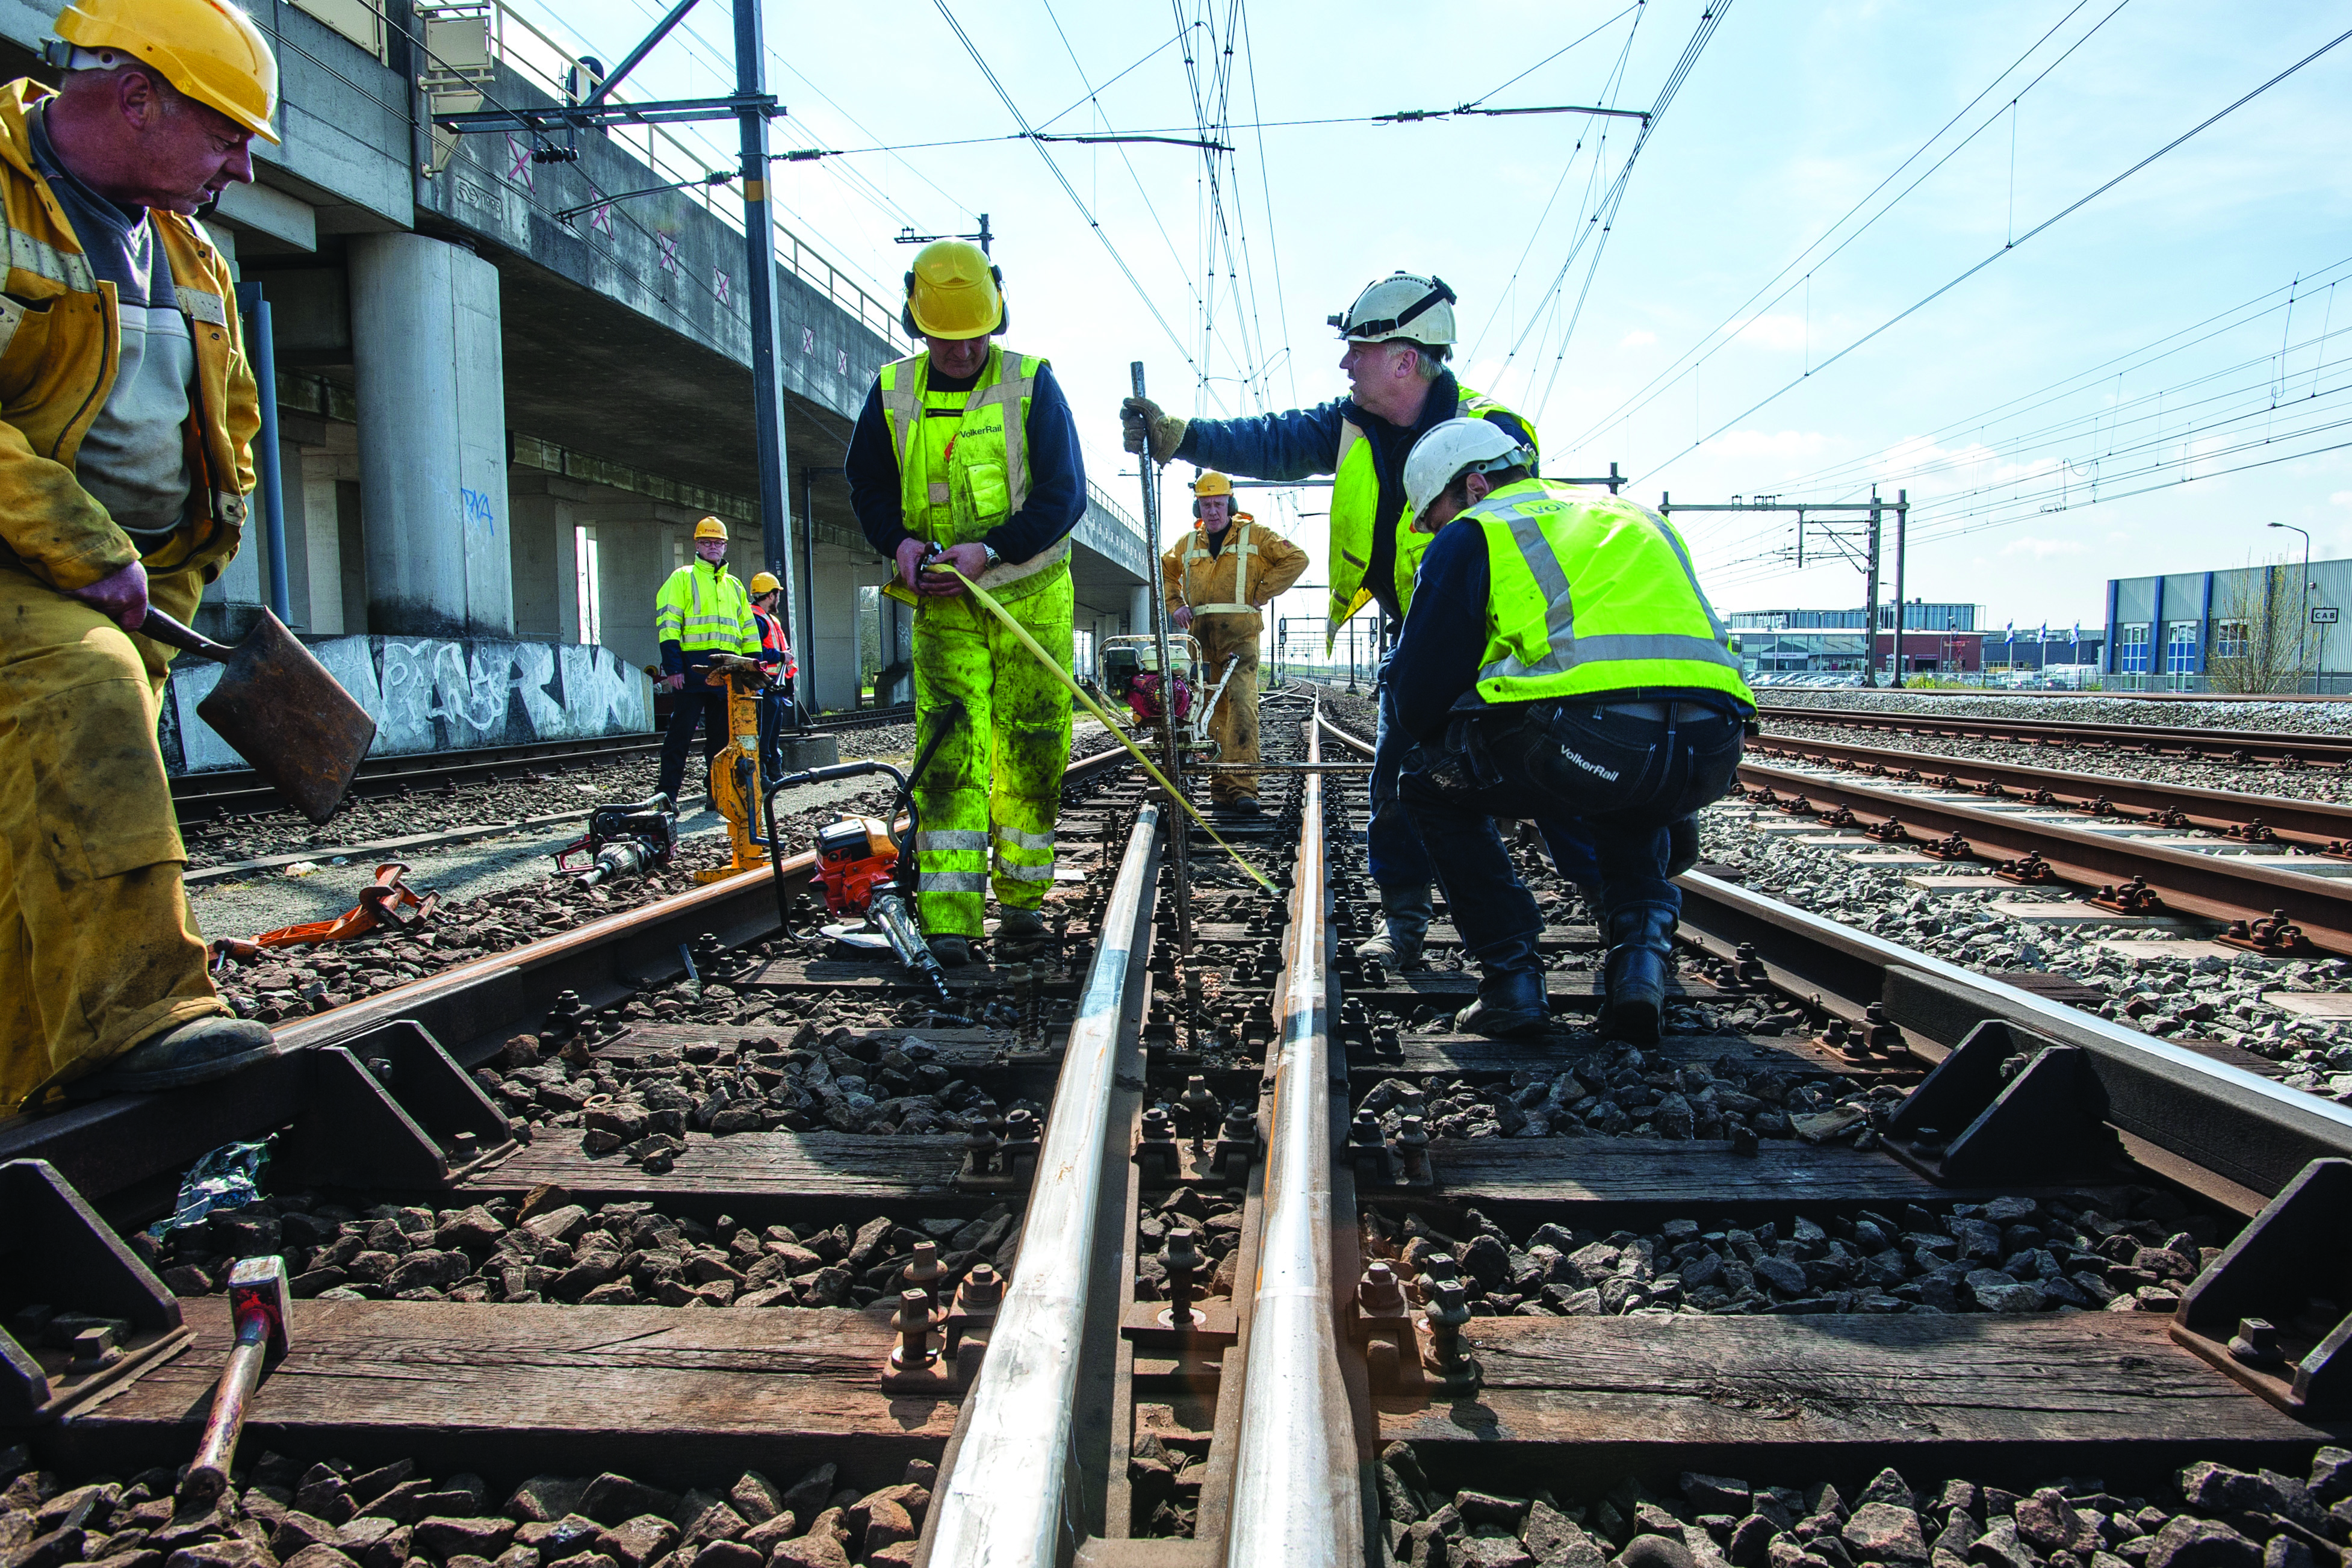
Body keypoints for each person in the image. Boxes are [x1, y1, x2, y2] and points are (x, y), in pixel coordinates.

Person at [0, 0, 283, 1109]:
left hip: (128, 588)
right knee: (82, 683)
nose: (244, 167)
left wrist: (179, 572)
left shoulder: (188, 252)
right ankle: (136, 1007)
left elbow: (234, 423)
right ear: (134, 98)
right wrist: (77, 547)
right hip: (29, 569)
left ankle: (33, 1085)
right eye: (227, 134)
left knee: (38, 828)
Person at [1123, 271, 1533, 967]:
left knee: (1535, 780)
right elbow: (1271, 442)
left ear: (1405, 360)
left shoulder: (1491, 432)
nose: (1346, 364)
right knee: (1399, 778)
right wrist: (1181, 436)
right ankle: (1405, 925)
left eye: (1359, 351)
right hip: (1418, 627)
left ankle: (1630, 932)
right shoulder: (1351, 425)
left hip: (1498, 634)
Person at [1389, 420, 1755, 1042]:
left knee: (1427, 780)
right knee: (1625, 788)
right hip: (1710, 747)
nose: (1431, 533)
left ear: (1475, 486)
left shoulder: (1481, 530)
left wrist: (1443, 715)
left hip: (1592, 742)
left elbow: (1416, 696)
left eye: (1434, 515)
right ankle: (1639, 963)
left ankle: (1511, 980)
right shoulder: (1637, 517)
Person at [846, 240, 1085, 965]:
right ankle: (950, 919)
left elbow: (1063, 493)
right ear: (919, 327)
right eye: (944, 338)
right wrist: (900, 544)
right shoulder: (892, 391)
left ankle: (1020, 903)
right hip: (945, 607)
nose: (960, 350)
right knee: (951, 754)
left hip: (1029, 597)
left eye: (973, 334)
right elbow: (869, 485)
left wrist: (993, 550)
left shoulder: (1032, 384)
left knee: (1033, 749)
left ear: (997, 318)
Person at [1160, 473, 1306, 813]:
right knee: (1211, 711)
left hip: (1239, 637)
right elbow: (1166, 571)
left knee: (1241, 705)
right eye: (1206, 504)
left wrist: (1263, 591)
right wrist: (1176, 604)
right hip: (1201, 639)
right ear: (1198, 505)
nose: (1213, 511)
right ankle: (1220, 786)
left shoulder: (1256, 536)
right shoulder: (1187, 544)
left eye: (1218, 503)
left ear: (1231, 503)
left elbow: (1297, 558)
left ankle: (1243, 788)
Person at [654, 516, 759, 805]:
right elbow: (668, 625)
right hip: (691, 672)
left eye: (718, 543)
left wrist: (753, 670)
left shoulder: (735, 586)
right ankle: (667, 797)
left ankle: (716, 794)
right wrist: (673, 667)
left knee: (721, 741)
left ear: (725, 547)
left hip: (726, 676)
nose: (713, 547)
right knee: (680, 738)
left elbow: (748, 632)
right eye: (707, 542)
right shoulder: (682, 578)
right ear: (698, 545)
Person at [748, 568, 798, 783]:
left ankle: (774, 774)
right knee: (764, 735)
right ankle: (764, 776)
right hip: (764, 688)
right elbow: (755, 653)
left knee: (772, 735)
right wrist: (780, 656)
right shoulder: (757, 620)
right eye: (777, 594)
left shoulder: (769, 619)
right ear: (770, 595)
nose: (779, 598)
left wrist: (788, 686)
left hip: (774, 689)